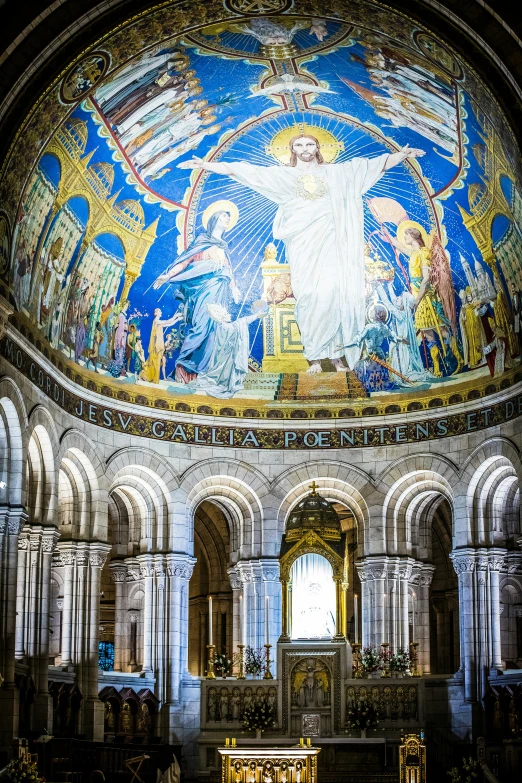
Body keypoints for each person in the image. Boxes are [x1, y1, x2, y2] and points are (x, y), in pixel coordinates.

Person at [178, 135, 424, 373]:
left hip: (331, 242)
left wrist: (401, 155)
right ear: (292, 150)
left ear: (318, 147)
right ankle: (315, 357)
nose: (304, 148)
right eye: (299, 145)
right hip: (302, 245)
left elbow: (372, 166)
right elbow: (246, 171)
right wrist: (206, 165)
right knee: (308, 297)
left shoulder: (337, 173)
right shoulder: (284, 176)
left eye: (309, 144)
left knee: (334, 295)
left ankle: (337, 356)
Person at [152, 203, 241, 383]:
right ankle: (184, 369)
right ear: (214, 218)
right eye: (224, 216)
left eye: (229, 218)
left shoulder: (223, 246)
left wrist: (234, 288)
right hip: (202, 293)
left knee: (214, 332)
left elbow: (228, 270)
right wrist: (168, 275)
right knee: (200, 328)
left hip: (219, 294)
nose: (227, 219)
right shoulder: (201, 241)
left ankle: (202, 374)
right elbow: (185, 262)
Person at [196, 300, 268, 398]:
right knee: (225, 377)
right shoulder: (226, 326)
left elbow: (240, 323)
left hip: (226, 358)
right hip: (226, 359)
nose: (229, 314)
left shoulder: (224, 326)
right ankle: (224, 385)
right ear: (222, 317)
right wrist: (256, 316)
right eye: (226, 314)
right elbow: (241, 323)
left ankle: (226, 384)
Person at [142, 308, 183, 383]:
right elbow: (168, 321)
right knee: (155, 362)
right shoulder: (156, 321)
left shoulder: (159, 323)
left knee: (157, 362)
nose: (161, 312)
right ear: (156, 313)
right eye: (160, 311)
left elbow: (169, 324)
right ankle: (153, 379)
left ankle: (154, 379)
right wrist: (176, 315)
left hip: (159, 345)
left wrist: (177, 319)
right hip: (156, 346)